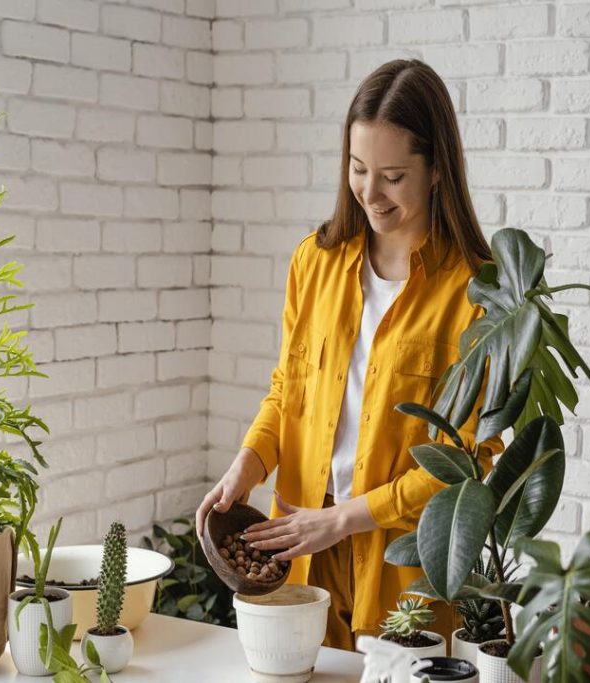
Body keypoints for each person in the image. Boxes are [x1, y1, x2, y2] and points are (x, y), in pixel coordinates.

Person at [196, 58, 504, 651]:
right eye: (358, 169)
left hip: (401, 563)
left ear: (437, 168)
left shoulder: (475, 291)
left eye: (392, 176)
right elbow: (288, 389)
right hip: (299, 545)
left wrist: (343, 518)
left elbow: (462, 464)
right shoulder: (314, 260)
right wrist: (249, 462)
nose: (370, 192)